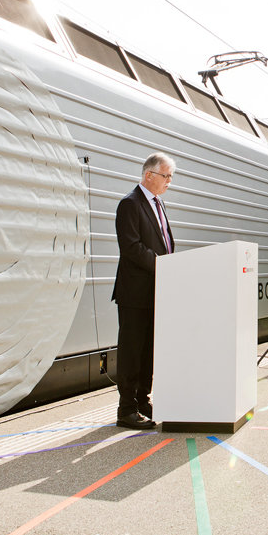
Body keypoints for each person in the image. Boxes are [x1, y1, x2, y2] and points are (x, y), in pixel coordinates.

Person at [112, 152, 176, 430]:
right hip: (135, 293)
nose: (169, 182)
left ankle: (142, 401)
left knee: (149, 351)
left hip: (155, 292)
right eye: (166, 176)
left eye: (171, 177)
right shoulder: (130, 204)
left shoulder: (158, 204)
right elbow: (131, 247)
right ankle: (126, 409)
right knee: (131, 351)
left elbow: (164, 243)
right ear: (149, 175)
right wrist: (163, 265)